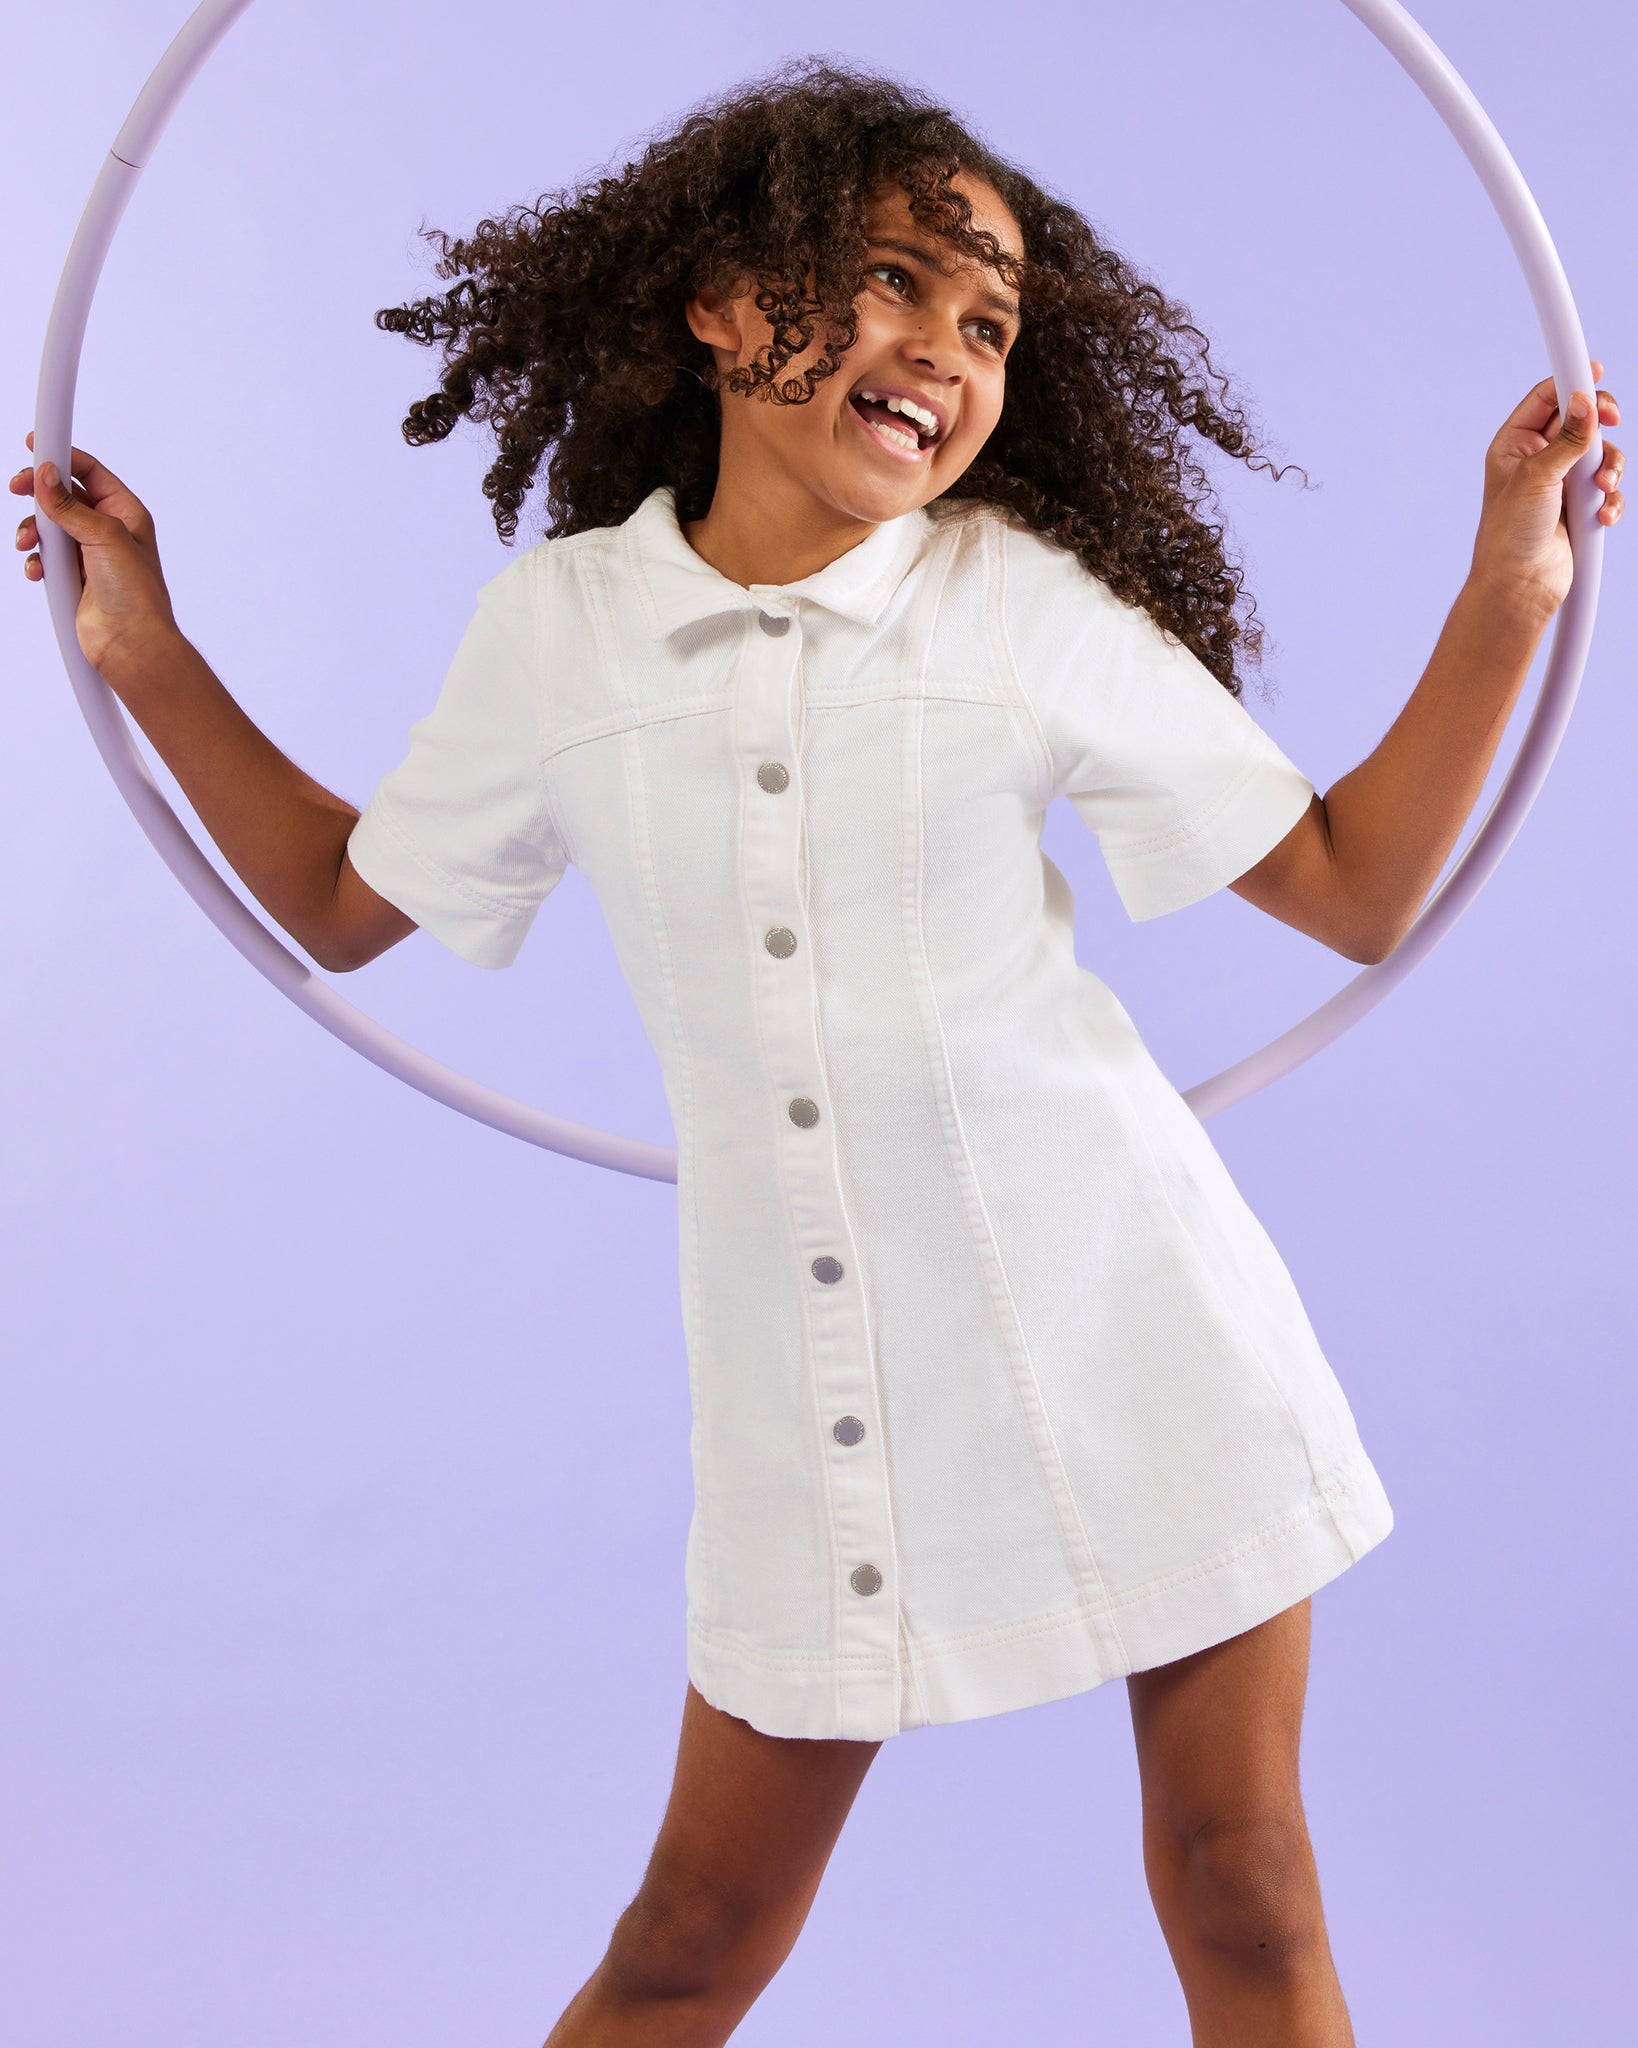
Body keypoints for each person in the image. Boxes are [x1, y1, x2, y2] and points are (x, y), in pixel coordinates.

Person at [13, 57, 1623, 2048]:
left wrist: (1508, 586)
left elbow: (1354, 889)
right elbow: (343, 906)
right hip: (814, 1390)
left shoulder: (1015, 603)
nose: (945, 345)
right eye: (892, 280)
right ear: (719, 304)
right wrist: (144, 647)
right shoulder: (562, 634)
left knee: (1243, 1879)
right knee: (688, 1938)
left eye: (989, 323)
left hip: (1133, 1319)